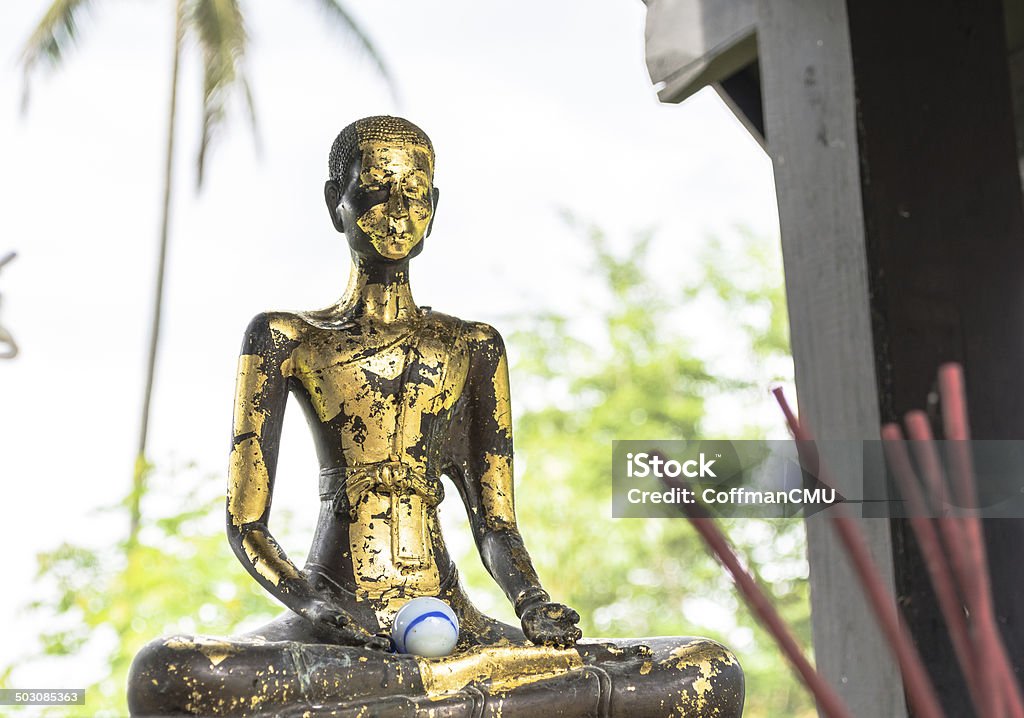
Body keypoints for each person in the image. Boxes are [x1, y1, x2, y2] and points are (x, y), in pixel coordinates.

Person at [127, 116, 744, 717]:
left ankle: (417, 696)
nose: (396, 212)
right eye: (374, 189)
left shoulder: (471, 346)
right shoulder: (287, 338)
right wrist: (312, 606)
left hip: (460, 626)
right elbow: (246, 526)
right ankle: (457, 697)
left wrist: (532, 605)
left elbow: (496, 523)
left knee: (705, 673)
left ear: (434, 207)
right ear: (333, 202)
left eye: (414, 195)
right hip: (337, 629)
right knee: (169, 674)